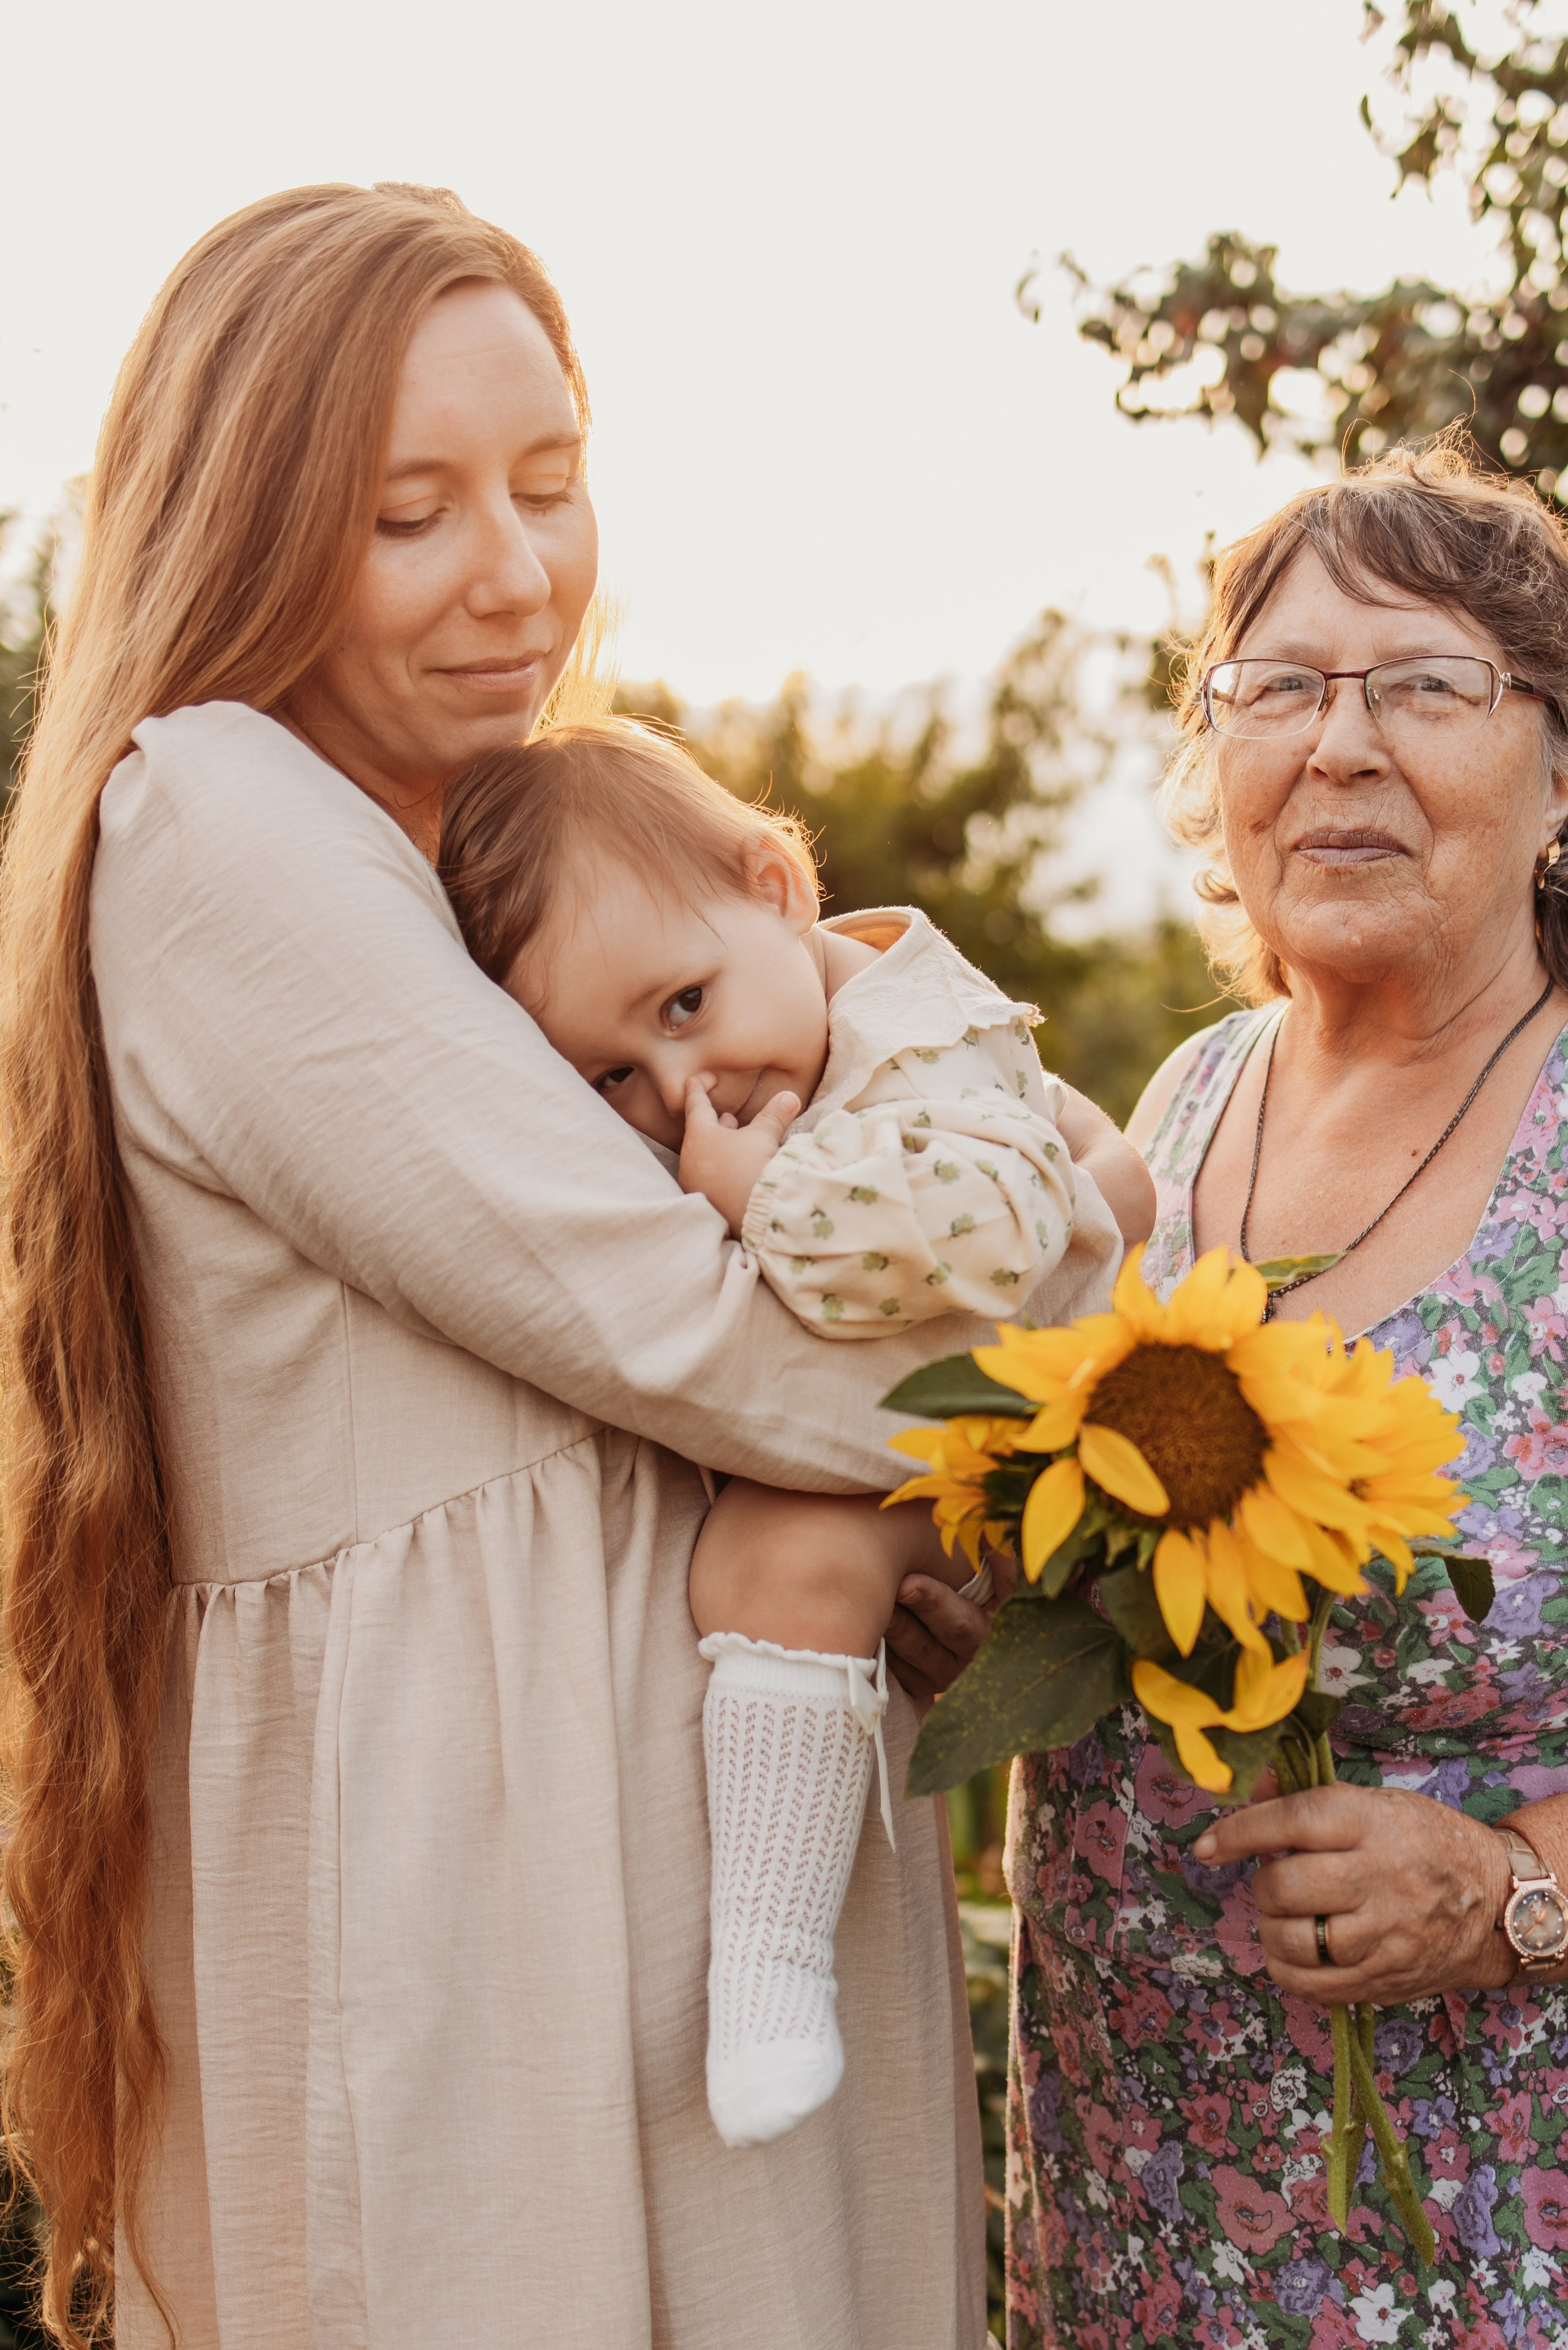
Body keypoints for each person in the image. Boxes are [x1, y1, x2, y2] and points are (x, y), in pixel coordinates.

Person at [1, 182, 1012, 2350]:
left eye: (550, 484)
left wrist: (919, 1530)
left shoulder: (504, 857)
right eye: (411, 514)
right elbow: (693, 1324)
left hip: (671, 1860)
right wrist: (1092, 1365)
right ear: (249, 530)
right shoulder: (223, 819)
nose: (518, 574)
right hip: (487, 1875)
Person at [1004, 440, 1568, 2349]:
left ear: (1565, 766)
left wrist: (1513, 1885)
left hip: (1500, 2234)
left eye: (1424, 684)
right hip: (1131, 2206)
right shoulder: (1180, 1107)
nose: (1340, 745)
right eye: (1278, 687)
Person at [435, 723, 1151, 2150]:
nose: (679, 1090)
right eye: (611, 1076)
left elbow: (1001, 1232)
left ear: (774, 887)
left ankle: (768, 1957)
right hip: (939, 1430)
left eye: (685, 1003)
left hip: (1032, 1438)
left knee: (775, 1560)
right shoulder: (793, 1043)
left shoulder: (922, 1042)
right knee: (767, 1559)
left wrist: (767, 1201)